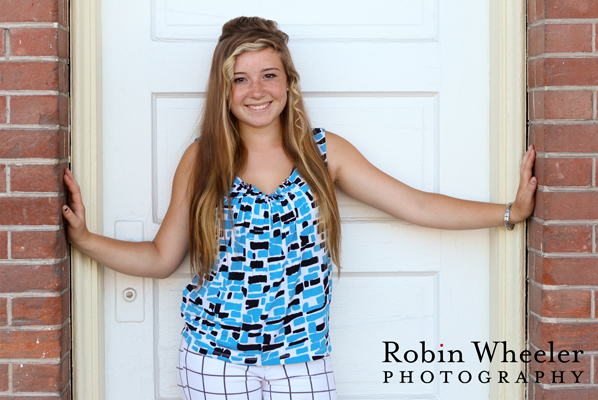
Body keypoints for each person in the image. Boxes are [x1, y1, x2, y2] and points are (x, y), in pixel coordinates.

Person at [62, 16, 537, 400]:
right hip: (213, 363)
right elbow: (162, 257)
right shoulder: (202, 158)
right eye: (240, 79)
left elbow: (414, 204)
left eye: (269, 75)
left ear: (289, 82)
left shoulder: (324, 154)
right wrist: (85, 239)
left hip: (303, 360)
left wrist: (507, 212)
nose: (256, 90)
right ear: (224, 91)